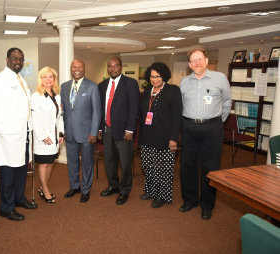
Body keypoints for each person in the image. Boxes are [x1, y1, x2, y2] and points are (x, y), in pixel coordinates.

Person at [179, 45, 231, 220]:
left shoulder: (220, 78)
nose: (197, 62)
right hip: (188, 128)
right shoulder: (184, 82)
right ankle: (189, 200)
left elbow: (226, 104)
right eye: (194, 60)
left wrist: (215, 122)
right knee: (188, 166)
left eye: (200, 59)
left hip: (212, 129)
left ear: (206, 61)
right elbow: (181, 105)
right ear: (190, 64)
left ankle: (207, 205)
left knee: (210, 168)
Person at [0, 47, 37, 222]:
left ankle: (19, 198)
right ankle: (6, 207)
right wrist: (4, 132)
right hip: (8, 136)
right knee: (9, 171)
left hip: (23, 133)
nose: (18, 62)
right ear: (7, 59)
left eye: (21, 59)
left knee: (22, 169)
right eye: (15, 58)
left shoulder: (21, 79)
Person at [139, 62, 182, 208]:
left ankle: (162, 195)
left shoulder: (173, 90)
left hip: (165, 137)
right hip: (148, 136)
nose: (154, 79)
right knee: (148, 165)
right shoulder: (147, 91)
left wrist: (173, 139)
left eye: (157, 76)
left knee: (163, 169)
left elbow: (177, 117)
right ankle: (151, 191)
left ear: (164, 76)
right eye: (152, 76)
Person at [98, 57, 140, 205]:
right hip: (107, 129)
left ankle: (125, 189)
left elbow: (134, 109)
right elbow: (100, 109)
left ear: (121, 67)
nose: (112, 69)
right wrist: (100, 128)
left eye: (115, 66)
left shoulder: (130, 83)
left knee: (125, 162)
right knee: (109, 160)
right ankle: (113, 185)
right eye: (110, 66)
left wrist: (130, 129)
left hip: (124, 131)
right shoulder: (102, 85)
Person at [60, 59, 101, 203]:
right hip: (69, 132)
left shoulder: (92, 87)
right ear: (71, 68)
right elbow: (63, 111)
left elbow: (97, 112)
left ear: (84, 69)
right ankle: (74, 186)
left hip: (86, 134)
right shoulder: (64, 87)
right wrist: (62, 130)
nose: (77, 69)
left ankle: (85, 189)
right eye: (74, 67)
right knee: (72, 162)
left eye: (80, 67)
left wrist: (94, 133)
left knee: (87, 163)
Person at [31, 67, 64, 204]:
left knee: (51, 162)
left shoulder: (57, 95)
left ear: (54, 79)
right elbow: (35, 118)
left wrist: (61, 133)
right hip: (43, 137)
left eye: (51, 77)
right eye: (45, 77)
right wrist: (43, 136)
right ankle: (45, 189)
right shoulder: (36, 96)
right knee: (44, 164)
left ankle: (42, 186)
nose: (48, 80)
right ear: (41, 79)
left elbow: (60, 116)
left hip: (55, 136)